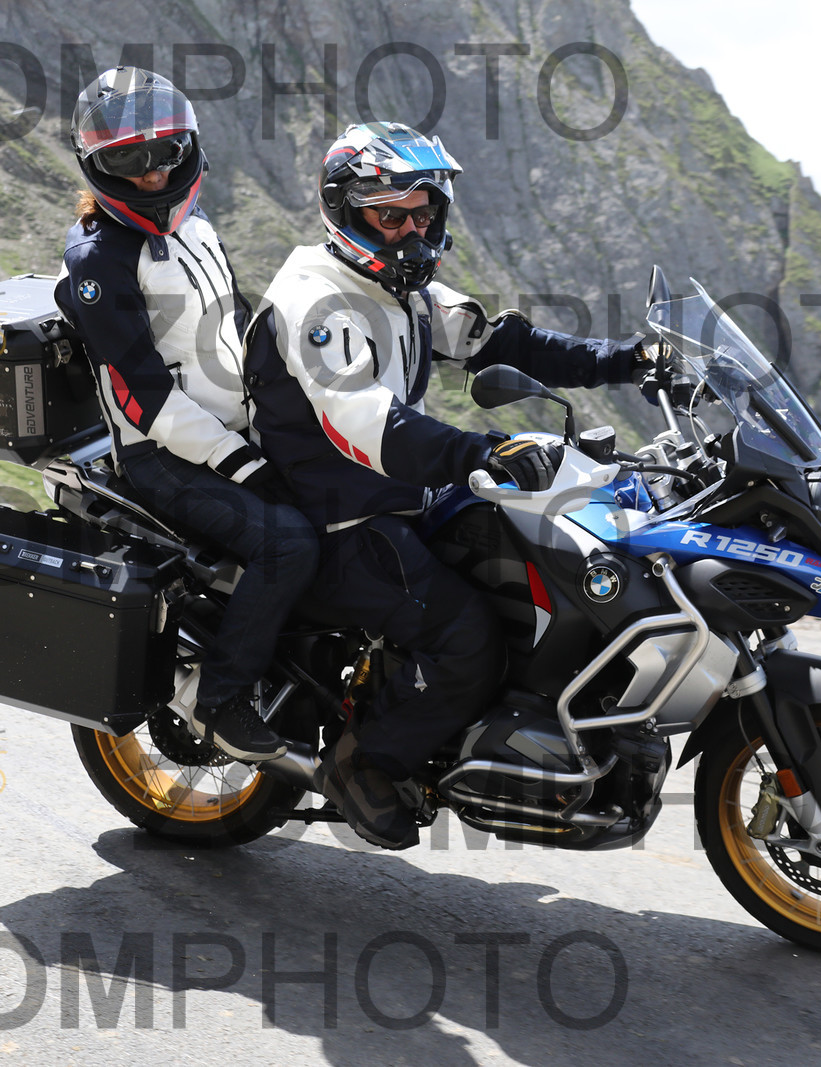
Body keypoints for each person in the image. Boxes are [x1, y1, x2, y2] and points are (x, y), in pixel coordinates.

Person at [244, 121, 647, 848]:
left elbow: (508, 342)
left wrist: (631, 360)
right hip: (334, 511)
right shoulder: (318, 298)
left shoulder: (401, 286)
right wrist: (478, 452)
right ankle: (364, 763)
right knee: (464, 635)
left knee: (537, 563)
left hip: (400, 494)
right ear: (346, 210)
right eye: (390, 216)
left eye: (422, 214)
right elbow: (362, 422)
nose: (411, 230)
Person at [54, 66, 317, 762]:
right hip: (162, 456)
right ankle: (221, 702)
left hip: (235, 428)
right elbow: (141, 396)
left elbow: (234, 323)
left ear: (189, 147)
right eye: (127, 162)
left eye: (165, 154)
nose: (150, 175)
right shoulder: (98, 258)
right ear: (96, 166)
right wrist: (242, 461)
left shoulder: (194, 225)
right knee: (288, 542)